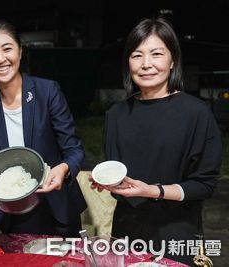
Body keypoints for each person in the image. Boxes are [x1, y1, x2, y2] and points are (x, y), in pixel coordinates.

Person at [90, 17, 222, 265]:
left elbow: (204, 185)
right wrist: (106, 182)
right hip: (126, 233)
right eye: (137, 55)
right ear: (128, 62)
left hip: (177, 233)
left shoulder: (196, 113)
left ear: (172, 61)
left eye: (156, 54)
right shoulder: (116, 114)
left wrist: (152, 191)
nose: (146, 64)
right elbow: (117, 171)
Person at [0, 20, 87, 237]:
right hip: (13, 212)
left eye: (7, 49)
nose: (1, 59)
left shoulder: (47, 91)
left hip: (56, 207)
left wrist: (63, 169)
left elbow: (74, 150)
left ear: (20, 52)